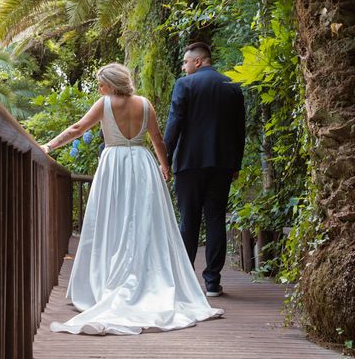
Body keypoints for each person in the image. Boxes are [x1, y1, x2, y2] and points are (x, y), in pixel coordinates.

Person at [41, 63, 223, 335]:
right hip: (142, 165)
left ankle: (112, 278)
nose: (100, 87)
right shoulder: (145, 104)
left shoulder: (104, 104)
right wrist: (164, 166)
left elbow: (78, 128)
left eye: (101, 83)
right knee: (143, 222)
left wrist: (49, 145)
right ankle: (146, 276)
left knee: (114, 219)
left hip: (114, 166)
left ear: (110, 85)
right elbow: (158, 139)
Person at [164, 42, 245, 298]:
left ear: (198, 61)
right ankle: (212, 282)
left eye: (186, 62)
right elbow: (239, 129)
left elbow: (175, 122)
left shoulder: (185, 85)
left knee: (188, 220)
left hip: (189, 163)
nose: (183, 66)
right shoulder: (231, 85)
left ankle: (186, 282)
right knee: (215, 219)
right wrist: (236, 164)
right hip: (221, 164)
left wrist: (165, 158)